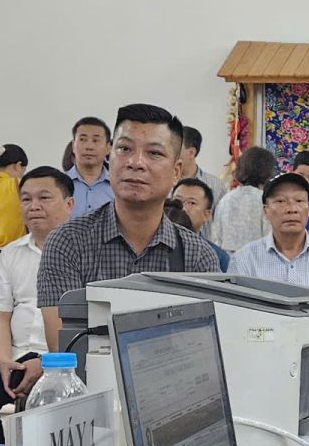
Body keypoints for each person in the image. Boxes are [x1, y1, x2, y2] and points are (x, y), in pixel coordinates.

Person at [36, 104, 221, 348]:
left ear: (177, 172)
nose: (136, 163)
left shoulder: (197, 256)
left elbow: (201, 347)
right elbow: (65, 349)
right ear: (109, 158)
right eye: (124, 149)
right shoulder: (68, 242)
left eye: (154, 153)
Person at [0, 167, 73, 444]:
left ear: (69, 204)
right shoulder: (11, 253)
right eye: (26, 199)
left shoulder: (85, 253)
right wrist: (5, 359)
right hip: (16, 353)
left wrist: (48, 364)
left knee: (51, 406)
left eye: (44, 198)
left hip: (63, 357)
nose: (34, 206)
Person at [230, 172, 309, 292]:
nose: (292, 209)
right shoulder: (244, 260)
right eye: (281, 201)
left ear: (308, 209)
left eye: (299, 201)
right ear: (266, 211)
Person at [207, 144, 276, 254]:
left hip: (228, 263)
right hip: (257, 263)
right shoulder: (266, 201)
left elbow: (216, 238)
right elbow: (271, 239)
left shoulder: (225, 200)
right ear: (268, 172)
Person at [169, 176, 228, 269]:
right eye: (178, 200)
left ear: (206, 215)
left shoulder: (218, 257)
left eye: (192, 203)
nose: (183, 208)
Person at [65, 114, 114, 216]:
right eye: (82, 139)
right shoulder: (60, 185)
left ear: (108, 148)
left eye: (96, 140)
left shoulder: (118, 187)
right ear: (73, 146)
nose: (89, 146)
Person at [178, 124, 224, 195]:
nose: (170, 152)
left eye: (176, 148)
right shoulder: (163, 181)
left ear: (191, 153)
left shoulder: (215, 186)